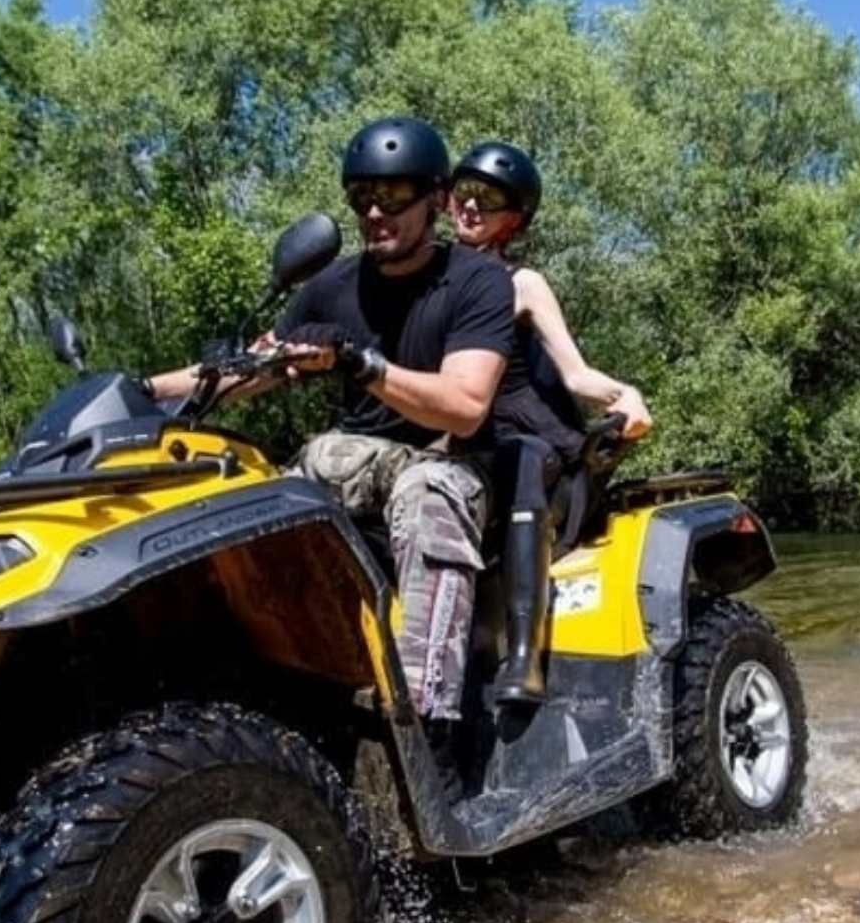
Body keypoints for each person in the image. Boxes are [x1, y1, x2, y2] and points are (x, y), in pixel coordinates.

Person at [143, 116, 516, 774]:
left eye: (393, 197)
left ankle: (428, 728)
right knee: (260, 493)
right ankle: (253, 701)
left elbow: (465, 406)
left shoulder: (477, 281)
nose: (375, 212)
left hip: (455, 463)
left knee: (428, 491)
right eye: (362, 197)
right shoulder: (331, 285)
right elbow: (252, 368)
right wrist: (140, 391)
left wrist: (361, 363)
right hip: (362, 462)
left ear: (433, 198)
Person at [447, 139, 652, 705]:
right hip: (466, 451)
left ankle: (524, 655)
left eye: (488, 200)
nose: (471, 206)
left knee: (521, 458)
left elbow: (578, 375)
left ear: (512, 221)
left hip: (535, 451)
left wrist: (626, 395)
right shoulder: (431, 284)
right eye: (464, 192)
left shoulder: (522, 284)